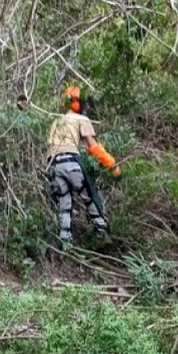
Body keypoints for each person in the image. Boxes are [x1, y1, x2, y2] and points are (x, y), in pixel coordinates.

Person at [46, 85, 120, 246]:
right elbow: (93, 147)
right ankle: (103, 233)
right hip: (71, 162)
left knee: (64, 204)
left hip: (54, 164)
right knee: (90, 196)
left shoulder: (57, 120)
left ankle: (65, 243)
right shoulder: (81, 119)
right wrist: (112, 165)